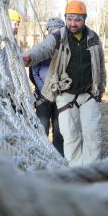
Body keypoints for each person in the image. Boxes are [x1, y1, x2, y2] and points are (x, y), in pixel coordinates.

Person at [22, 0, 106, 166]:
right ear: (65, 18)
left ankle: (91, 169)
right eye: (69, 19)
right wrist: (30, 56)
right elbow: (44, 48)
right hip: (66, 95)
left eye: (77, 19)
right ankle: (75, 169)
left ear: (84, 20)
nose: (72, 23)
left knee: (93, 134)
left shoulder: (93, 38)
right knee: (70, 135)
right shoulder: (59, 36)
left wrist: (100, 89)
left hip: (89, 94)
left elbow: (100, 64)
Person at [28, 17, 65, 156]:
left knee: (59, 130)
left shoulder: (64, 52)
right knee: (42, 128)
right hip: (43, 98)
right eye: (53, 30)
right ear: (48, 32)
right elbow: (34, 74)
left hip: (60, 97)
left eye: (58, 31)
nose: (55, 34)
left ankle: (59, 156)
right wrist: (45, 91)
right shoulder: (39, 50)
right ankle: (42, 156)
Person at [0, 9, 21, 84]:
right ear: (6, 24)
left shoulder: (16, 46)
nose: (17, 27)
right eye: (15, 24)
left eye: (18, 24)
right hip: (5, 93)